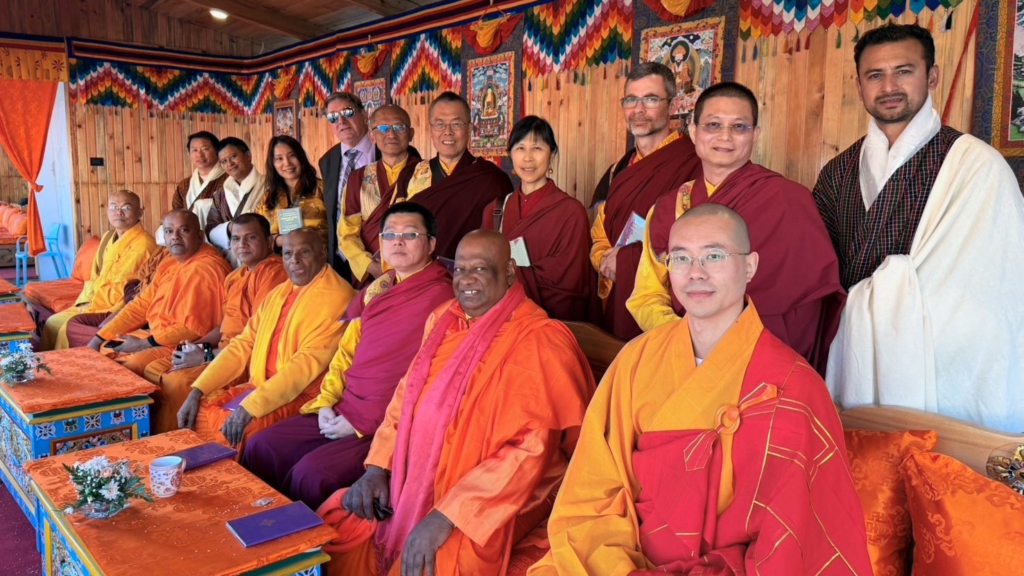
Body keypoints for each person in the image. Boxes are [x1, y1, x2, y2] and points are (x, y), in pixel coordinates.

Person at [530, 205, 871, 575]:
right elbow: (592, 492)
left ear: (751, 265)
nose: (695, 273)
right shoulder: (636, 362)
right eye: (680, 258)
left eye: (713, 255)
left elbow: (793, 535)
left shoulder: (794, 386)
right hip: (627, 562)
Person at [315, 230, 595, 576]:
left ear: (509, 272)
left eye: (480, 269)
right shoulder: (443, 318)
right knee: (339, 532)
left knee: (436, 564)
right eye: (460, 270)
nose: (466, 281)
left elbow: (529, 453)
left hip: (494, 501)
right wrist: (377, 469)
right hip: (414, 479)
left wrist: (447, 516)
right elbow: (404, 399)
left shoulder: (540, 341)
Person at [814, 24, 1024, 432]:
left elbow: (1002, 287)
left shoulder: (976, 165)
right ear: (859, 86)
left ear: (932, 76)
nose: (889, 85)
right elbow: (818, 270)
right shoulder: (837, 173)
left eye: (904, 71)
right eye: (875, 75)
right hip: (855, 356)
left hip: (945, 366)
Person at [243, 203, 454, 510]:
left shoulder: (443, 299)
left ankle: (305, 554)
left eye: (410, 234)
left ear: (432, 243)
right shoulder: (377, 288)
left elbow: (427, 379)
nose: (398, 241)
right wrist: (328, 402)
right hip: (344, 406)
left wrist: (359, 424)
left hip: (385, 424)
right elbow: (346, 353)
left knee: (310, 475)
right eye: (390, 234)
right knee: (262, 446)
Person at [628, 82, 844, 372]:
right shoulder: (668, 207)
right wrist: (687, 340)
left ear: (756, 135)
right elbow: (646, 295)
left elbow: (804, 306)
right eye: (713, 125)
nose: (725, 137)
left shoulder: (788, 200)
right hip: (681, 356)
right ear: (693, 132)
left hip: (759, 360)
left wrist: (730, 347)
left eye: (739, 127)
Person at [177, 228, 355, 450]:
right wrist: (198, 389)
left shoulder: (337, 298)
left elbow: (303, 367)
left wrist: (252, 407)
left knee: (238, 430)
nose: (295, 261)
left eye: (305, 253)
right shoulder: (280, 292)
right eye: (288, 254)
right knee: (202, 409)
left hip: (301, 395)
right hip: (261, 386)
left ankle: (236, 485)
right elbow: (244, 343)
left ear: (322, 253)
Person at [142, 214, 288, 433]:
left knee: (176, 382)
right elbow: (224, 325)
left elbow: (256, 339)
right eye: (236, 239)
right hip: (222, 350)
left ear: (268, 242)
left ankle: (176, 441)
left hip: (243, 360)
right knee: (158, 367)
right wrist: (198, 346)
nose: (242, 245)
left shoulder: (273, 273)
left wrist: (206, 355)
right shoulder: (236, 276)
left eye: (251, 238)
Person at [589, 62, 702, 341]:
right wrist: (604, 260)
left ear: (672, 105)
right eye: (631, 99)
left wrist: (627, 261)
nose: (638, 110)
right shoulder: (618, 170)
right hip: (617, 292)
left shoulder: (694, 164)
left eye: (650, 99)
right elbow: (599, 233)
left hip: (669, 303)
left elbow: (697, 240)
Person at [86, 210, 232, 379]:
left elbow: (191, 328)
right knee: (106, 346)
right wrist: (98, 338)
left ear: (199, 236)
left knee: (132, 365)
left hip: (189, 342)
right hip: (158, 334)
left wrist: (145, 344)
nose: (175, 237)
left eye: (184, 230)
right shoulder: (170, 261)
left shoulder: (206, 268)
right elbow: (141, 305)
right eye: (169, 231)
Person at [481, 116, 597, 322]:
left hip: (548, 324)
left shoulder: (570, 212)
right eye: (520, 148)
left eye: (537, 149)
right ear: (511, 155)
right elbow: (482, 266)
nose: (528, 158)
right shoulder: (495, 210)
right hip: (499, 321)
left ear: (551, 154)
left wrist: (512, 277)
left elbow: (571, 284)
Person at [41, 190, 159, 350]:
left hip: (113, 308)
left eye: (126, 208)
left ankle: (67, 366)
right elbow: (96, 275)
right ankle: (49, 365)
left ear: (139, 213)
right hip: (94, 301)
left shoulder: (145, 244)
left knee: (61, 326)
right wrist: (84, 302)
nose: (119, 212)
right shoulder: (108, 238)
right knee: (51, 323)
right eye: (113, 207)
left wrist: (113, 313)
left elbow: (133, 289)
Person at [404, 91, 513, 260]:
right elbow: (395, 229)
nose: (448, 132)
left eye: (456, 124)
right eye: (439, 124)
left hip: (473, 274)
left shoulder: (492, 179)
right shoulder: (411, 174)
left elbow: (503, 238)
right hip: (419, 274)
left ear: (469, 128)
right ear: (430, 129)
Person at [338, 104, 421, 287]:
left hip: (416, 271)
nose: (391, 135)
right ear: (372, 136)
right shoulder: (357, 178)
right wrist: (371, 266)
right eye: (383, 128)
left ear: (411, 134)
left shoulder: (427, 174)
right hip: (372, 275)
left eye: (399, 127)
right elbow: (346, 234)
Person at [320, 92, 373, 281]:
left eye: (347, 112)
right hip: (340, 258)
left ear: (364, 115)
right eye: (333, 117)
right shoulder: (327, 160)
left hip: (376, 256)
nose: (340, 121)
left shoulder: (385, 150)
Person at [258, 135, 328, 248]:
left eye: (292, 156)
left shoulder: (322, 189)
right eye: (279, 159)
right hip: (279, 262)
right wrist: (278, 240)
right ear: (273, 164)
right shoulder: (268, 198)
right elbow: (259, 234)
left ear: (301, 158)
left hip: (318, 260)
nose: (287, 163)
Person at [206, 137, 267, 253]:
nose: (230, 164)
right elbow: (210, 228)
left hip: (263, 253)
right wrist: (230, 227)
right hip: (231, 257)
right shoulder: (220, 195)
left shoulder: (270, 186)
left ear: (248, 156)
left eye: (233, 157)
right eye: (224, 161)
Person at [168, 131, 227, 238]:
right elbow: (176, 212)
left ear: (216, 151)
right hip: (187, 239)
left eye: (205, 149)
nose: (199, 154)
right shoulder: (184, 185)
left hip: (219, 237)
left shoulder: (228, 179)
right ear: (189, 154)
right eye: (194, 150)